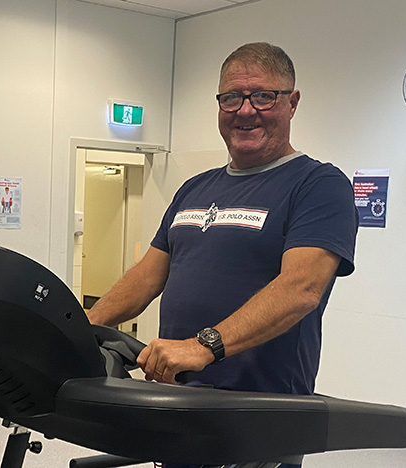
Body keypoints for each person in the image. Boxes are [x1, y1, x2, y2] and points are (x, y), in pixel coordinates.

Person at [88, 43, 357, 467]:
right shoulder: (195, 188)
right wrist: (82, 325)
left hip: (260, 420)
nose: (245, 110)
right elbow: (147, 276)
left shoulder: (318, 185)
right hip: (182, 403)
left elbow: (301, 287)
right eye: (232, 97)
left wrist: (203, 346)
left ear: (292, 103)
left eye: (263, 96)